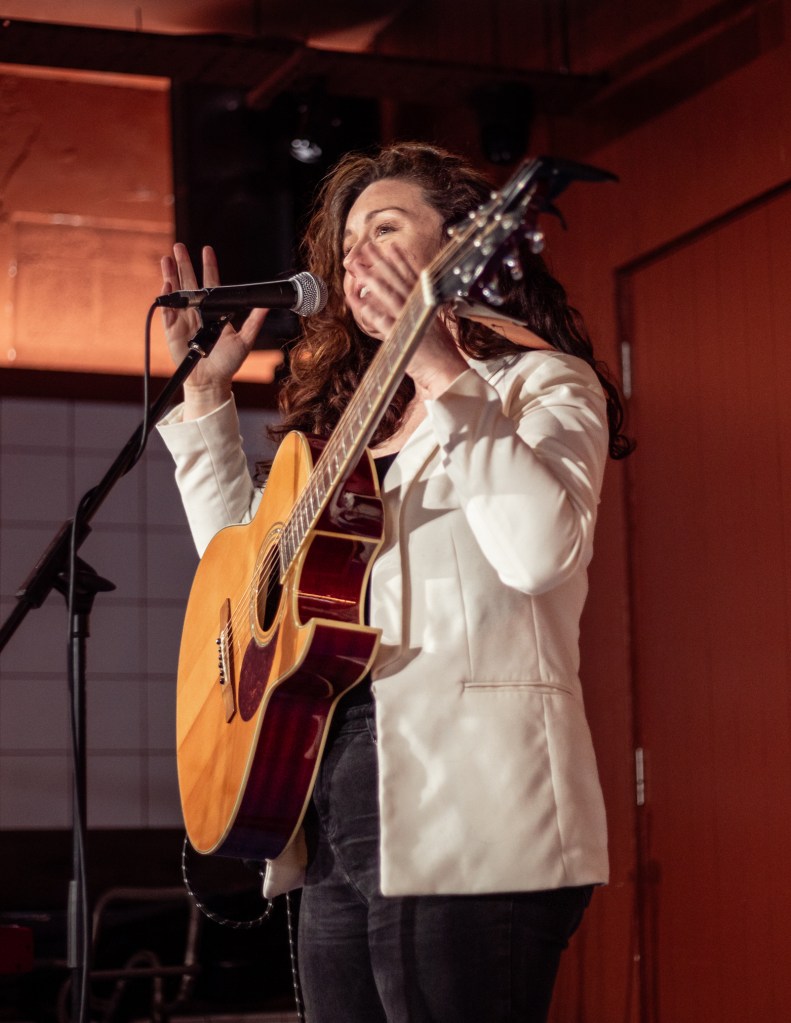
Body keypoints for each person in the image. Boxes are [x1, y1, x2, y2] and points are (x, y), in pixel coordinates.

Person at [157, 141, 631, 1023]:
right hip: (326, 778)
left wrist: (441, 366)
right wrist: (206, 397)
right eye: (346, 246)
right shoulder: (349, 431)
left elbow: (539, 553)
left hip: (469, 796)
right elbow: (244, 570)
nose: (356, 257)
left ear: (462, 244)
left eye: (383, 229)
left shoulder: (538, 381)